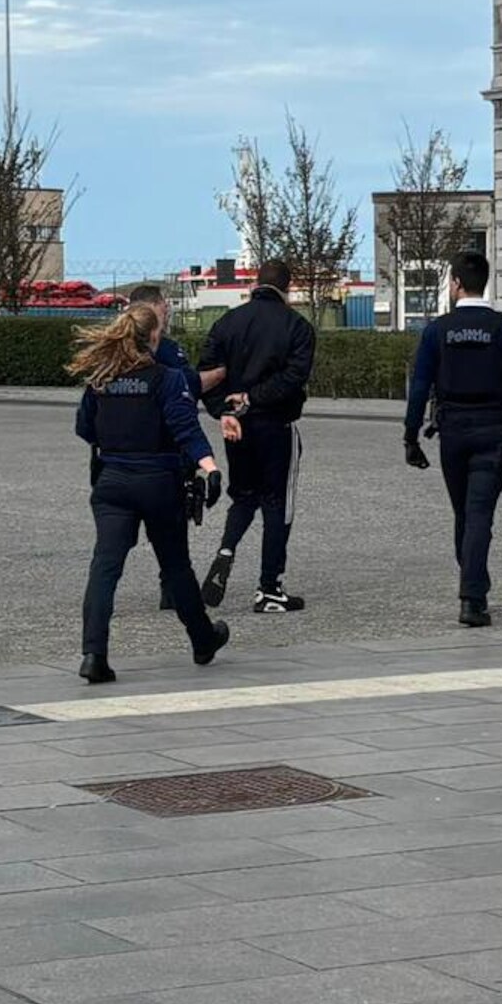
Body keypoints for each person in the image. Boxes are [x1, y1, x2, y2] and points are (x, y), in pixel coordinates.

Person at [73, 303, 229, 684]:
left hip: (112, 482)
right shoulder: (167, 379)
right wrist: (210, 468)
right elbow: (185, 429)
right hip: (158, 482)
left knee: (105, 566)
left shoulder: (101, 379)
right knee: (175, 565)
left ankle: (94, 654)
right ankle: (202, 640)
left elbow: (84, 428)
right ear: (155, 337)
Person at [401, 250, 502, 627]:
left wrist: (410, 436)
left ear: (457, 284)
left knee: (464, 513)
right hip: (493, 429)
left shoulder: (438, 331)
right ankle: (472, 597)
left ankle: (472, 584)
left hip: (453, 431)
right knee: (479, 513)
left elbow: (420, 385)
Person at [195, 258, 315, 614]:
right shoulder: (297, 327)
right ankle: (269, 587)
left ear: (255, 284)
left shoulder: (227, 322)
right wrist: (254, 398)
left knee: (244, 496)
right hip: (276, 423)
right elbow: (293, 377)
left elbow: (207, 373)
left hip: (237, 427)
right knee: (277, 504)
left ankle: (226, 549)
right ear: (287, 288)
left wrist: (224, 410)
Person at [128, 284, 225, 611]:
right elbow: (190, 385)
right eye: (163, 305)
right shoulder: (167, 350)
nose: (167, 310)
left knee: (116, 539)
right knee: (172, 526)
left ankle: (100, 599)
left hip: (125, 457)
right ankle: (173, 588)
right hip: (168, 452)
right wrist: (223, 372)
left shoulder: (114, 350)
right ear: (151, 308)